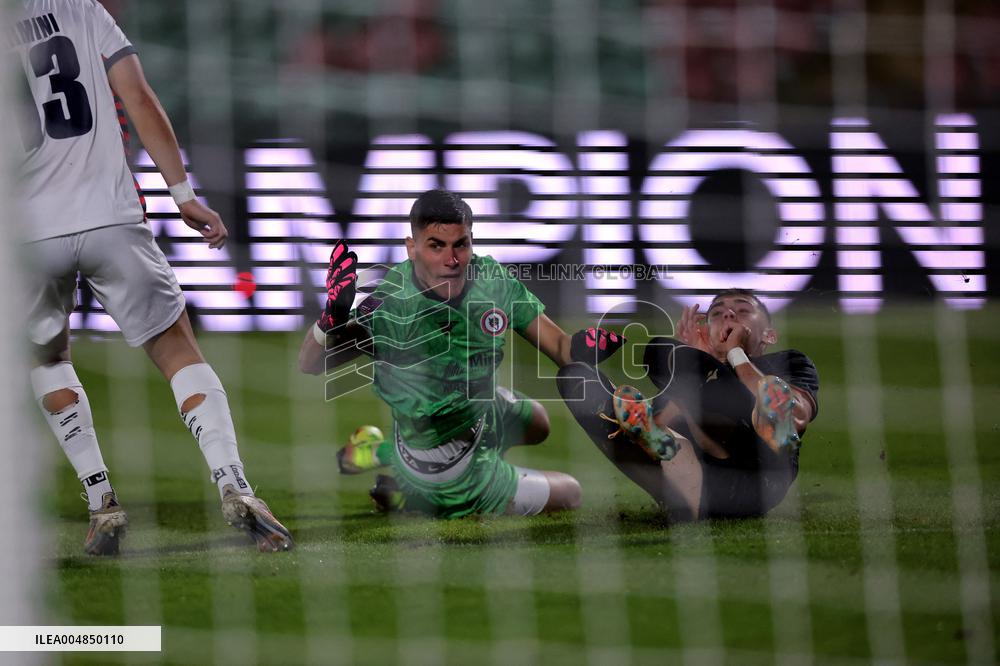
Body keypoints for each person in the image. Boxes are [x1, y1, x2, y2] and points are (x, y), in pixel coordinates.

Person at [14, 0, 293, 554]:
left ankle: (102, 502)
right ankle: (235, 485)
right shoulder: (82, 10)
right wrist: (183, 195)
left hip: (30, 233)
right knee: (177, 350)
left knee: (47, 359)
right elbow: (138, 97)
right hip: (111, 218)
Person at [299, 188, 624, 518]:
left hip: (477, 411)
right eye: (436, 246)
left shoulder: (491, 281)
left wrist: (582, 348)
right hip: (446, 469)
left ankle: (375, 451)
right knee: (572, 493)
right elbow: (309, 363)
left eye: (460, 244)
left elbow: (560, 347)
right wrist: (330, 320)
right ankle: (412, 495)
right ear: (412, 248)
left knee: (539, 421)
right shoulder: (390, 307)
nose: (451, 260)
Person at [557, 289, 819, 520]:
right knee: (578, 377)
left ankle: (762, 424)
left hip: (759, 478)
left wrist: (735, 353)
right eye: (717, 313)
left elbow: (797, 416)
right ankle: (680, 494)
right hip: (699, 481)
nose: (728, 314)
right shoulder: (688, 373)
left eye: (742, 310)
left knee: (765, 398)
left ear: (769, 335)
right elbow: (659, 425)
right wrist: (693, 367)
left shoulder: (789, 362)